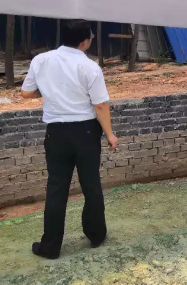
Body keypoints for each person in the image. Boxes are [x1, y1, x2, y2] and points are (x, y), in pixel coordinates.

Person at [21, 20, 118, 260]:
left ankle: (50, 246)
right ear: (84, 41)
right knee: (91, 185)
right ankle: (96, 235)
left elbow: (26, 92)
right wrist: (110, 134)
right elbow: (100, 105)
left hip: (56, 133)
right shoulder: (90, 67)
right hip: (86, 133)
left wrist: (51, 90)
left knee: (56, 188)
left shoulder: (41, 60)